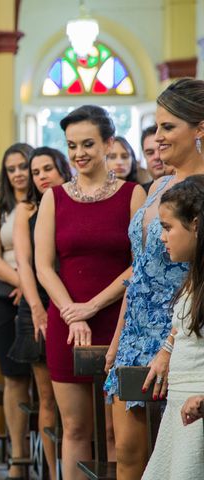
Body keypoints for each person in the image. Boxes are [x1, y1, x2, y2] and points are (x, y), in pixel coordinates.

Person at [35, 105, 146, 480]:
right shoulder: (55, 198)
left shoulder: (133, 194)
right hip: (67, 323)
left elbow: (141, 263)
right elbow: (44, 266)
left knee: (116, 432)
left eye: (87, 144)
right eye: (71, 146)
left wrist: (92, 306)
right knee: (76, 429)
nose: (79, 154)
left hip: (120, 321)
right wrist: (71, 311)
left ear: (108, 143)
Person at [103, 78, 204, 479]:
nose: (158, 138)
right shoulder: (158, 185)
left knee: (180, 452)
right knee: (126, 452)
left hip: (183, 332)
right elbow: (139, 268)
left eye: (168, 127)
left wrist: (168, 346)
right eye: (156, 127)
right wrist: (117, 337)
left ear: (200, 129)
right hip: (135, 329)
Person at [12, 146, 71, 480]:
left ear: (63, 168)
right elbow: (25, 262)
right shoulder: (27, 209)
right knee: (47, 397)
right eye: (36, 172)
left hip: (74, 301)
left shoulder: (75, 201)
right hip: (38, 302)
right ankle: (51, 471)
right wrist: (37, 309)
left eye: (48, 168)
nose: (42, 176)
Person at [141, 175, 204, 479]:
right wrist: (167, 349)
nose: (162, 238)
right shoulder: (194, 280)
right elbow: (184, 328)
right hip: (181, 406)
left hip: (198, 406)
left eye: (168, 228)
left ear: (195, 224)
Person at [0, 143, 33, 478]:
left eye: (23, 166)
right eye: (11, 168)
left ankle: (46, 451)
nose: (18, 173)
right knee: (14, 378)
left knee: (44, 382)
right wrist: (21, 282)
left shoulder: (46, 201)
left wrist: (31, 287)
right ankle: (18, 456)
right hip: (5, 295)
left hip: (41, 292)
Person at [140, 125, 166, 192]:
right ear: (144, 155)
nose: (157, 157)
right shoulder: (139, 193)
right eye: (150, 153)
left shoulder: (187, 189)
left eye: (161, 149)